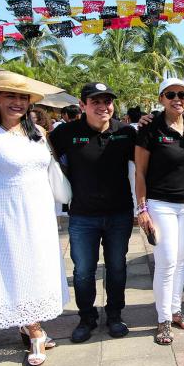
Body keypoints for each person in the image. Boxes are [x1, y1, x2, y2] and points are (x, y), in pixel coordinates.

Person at [0, 73, 67, 366]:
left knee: (38, 267)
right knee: (15, 267)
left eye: (23, 97)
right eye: (10, 96)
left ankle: (28, 321)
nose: (18, 102)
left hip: (40, 211)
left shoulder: (38, 131)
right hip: (5, 212)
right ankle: (34, 331)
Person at [50, 82, 136, 342]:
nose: (103, 107)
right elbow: (45, 156)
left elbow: (145, 161)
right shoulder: (65, 133)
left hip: (119, 213)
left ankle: (114, 315)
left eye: (107, 101)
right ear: (82, 105)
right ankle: (86, 318)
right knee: (83, 271)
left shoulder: (125, 132)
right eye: (95, 101)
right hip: (82, 215)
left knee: (117, 267)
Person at [134, 78, 184, 344]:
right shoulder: (150, 127)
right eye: (170, 94)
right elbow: (140, 172)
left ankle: (175, 310)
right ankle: (163, 320)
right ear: (161, 99)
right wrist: (142, 208)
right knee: (166, 262)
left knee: (182, 260)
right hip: (161, 204)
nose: (177, 99)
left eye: (182, 94)